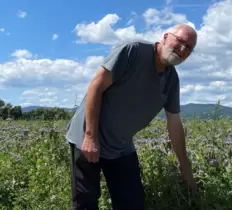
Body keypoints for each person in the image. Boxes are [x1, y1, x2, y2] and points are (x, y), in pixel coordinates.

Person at [66, 23, 198, 210]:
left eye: (189, 49)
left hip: (121, 145)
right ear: (166, 37)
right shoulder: (133, 51)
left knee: (132, 202)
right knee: (85, 202)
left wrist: (185, 167)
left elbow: (174, 124)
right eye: (180, 41)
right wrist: (90, 136)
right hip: (87, 137)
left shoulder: (171, 80)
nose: (183, 49)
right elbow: (96, 86)